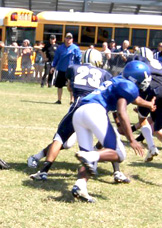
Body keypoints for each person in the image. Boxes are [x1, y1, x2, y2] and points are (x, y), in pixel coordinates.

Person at [28, 49, 130, 183]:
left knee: (60, 138)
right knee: (108, 140)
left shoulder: (73, 68)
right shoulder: (105, 74)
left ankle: (43, 171)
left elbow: (70, 88)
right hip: (97, 108)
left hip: (78, 107)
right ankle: (116, 171)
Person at [71, 60, 156, 203]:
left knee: (89, 159)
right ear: (137, 78)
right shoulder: (129, 86)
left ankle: (80, 186)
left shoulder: (118, 80)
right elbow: (122, 112)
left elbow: (134, 99)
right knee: (119, 154)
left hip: (80, 113)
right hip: (95, 111)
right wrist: (132, 140)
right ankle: (90, 156)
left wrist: (147, 104)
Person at [131, 48, 162, 174]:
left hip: (151, 91)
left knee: (142, 120)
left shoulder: (140, 61)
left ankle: (152, 147)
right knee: (159, 130)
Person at [50, 33, 82, 104]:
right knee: (59, 85)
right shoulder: (60, 48)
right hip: (61, 69)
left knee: (71, 86)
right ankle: (59, 100)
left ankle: (72, 100)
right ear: (64, 39)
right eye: (67, 38)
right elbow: (56, 58)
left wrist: (78, 68)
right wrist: (53, 66)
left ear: (72, 39)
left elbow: (78, 59)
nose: (68, 40)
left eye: (70, 38)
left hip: (71, 70)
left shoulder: (75, 48)